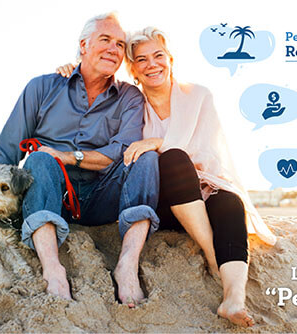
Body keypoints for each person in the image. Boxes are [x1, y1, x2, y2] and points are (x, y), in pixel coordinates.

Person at [57, 27, 277, 327]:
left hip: (205, 188)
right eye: (142, 59)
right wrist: (71, 71)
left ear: (170, 59)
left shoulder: (198, 95)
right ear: (133, 69)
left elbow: (204, 150)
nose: (152, 64)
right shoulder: (129, 104)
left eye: (158, 56)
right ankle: (213, 257)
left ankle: (233, 299)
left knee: (229, 205)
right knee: (172, 161)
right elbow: (93, 95)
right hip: (163, 201)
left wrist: (156, 142)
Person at [0, 13, 160, 307]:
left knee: (146, 157)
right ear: (83, 45)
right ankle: (53, 268)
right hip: (51, 194)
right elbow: (6, 151)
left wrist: (68, 156)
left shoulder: (130, 97)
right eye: (105, 40)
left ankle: (127, 266)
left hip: (103, 195)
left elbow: (121, 152)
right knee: (40, 158)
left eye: (119, 44)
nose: (113, 49)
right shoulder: (42, 87)